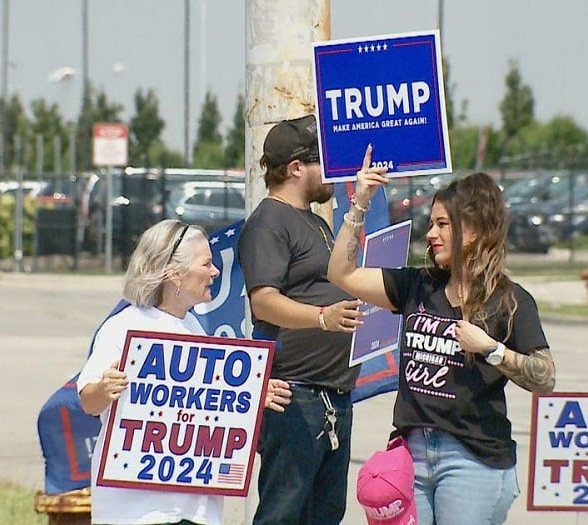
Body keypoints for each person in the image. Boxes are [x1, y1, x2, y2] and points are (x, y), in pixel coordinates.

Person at [328, 147, 557, 525]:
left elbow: (545, 376)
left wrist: (492, 349)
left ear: (471, 231)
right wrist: (360, 203)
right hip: (411, 454)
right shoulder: (418, 285)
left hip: (472, 459)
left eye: (441, 224)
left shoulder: (511, 302)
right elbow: (342, 274)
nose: (430, 234)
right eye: (431, 224)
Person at [77, 219, 292, 525]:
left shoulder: (195, 330)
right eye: (206, 264)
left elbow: (206, 405)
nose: (215, 271)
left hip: (196, 510)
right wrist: (104, 387)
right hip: (136, 512)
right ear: (174, 274)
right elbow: (88, 401)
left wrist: (251, 394)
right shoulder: (124, 326)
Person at [237, 114, 366, 525]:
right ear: (296, 167)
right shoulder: (268, 222)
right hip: (295, 397)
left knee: (325, 514)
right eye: (323, 163)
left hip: (333, 396)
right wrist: (323, 317)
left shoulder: (313, 221)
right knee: (282, 513)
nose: (333, 174)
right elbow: (265, 302)